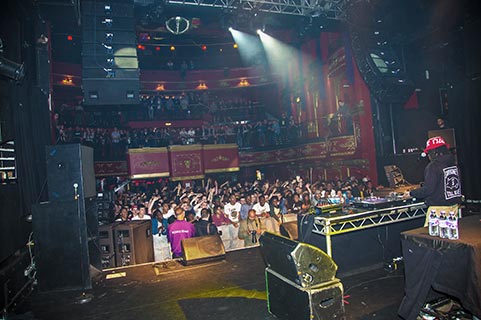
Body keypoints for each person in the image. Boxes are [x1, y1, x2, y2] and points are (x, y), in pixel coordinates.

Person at [409, 136, 462, 206]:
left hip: (438, 210)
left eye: (428, 153)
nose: (428, 156)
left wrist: (411, 193)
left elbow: (428, 190)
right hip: (453, 208)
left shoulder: (433, 166)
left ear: (433, 152)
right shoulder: (453, 164)